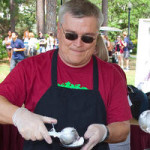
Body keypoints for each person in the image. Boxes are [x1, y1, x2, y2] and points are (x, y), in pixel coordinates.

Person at [0, 0, 132, 150]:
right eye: (71, 35)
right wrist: (18, 116)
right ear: (59, 30)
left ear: (97, 37)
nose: (78, 44)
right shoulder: (31, 68)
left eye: (87, 38)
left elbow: (122, 128)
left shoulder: (112, 75)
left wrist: (105, 132)